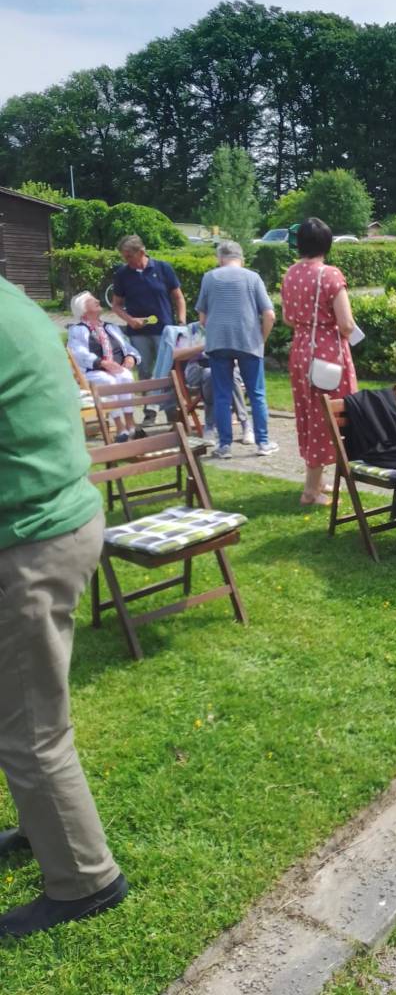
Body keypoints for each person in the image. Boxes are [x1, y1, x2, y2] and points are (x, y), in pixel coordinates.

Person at [0, 274, 128, 937]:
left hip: (29, 541)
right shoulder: (11, 299)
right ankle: (41, 821)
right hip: (57, 524)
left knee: (30, 728)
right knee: (28, 708)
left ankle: (83, 880)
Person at [281, 217, 358, 505]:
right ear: (327, 244)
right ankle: (310, 491)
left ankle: (317, 480)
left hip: (301, 351)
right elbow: (347, 324)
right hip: (328, 355)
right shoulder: (330, 276)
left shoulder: (290, 274)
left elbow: (289, 318)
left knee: (309, 413)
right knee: (329, 417)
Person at [195, 240, 277, 458]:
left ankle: (225, 446)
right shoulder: (253, 278)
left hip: (218, 343)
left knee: (222, 395)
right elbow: (269, 315)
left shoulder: (209, 278)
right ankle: (263, 443)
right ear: (241, 258)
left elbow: (202, 318)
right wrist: (262, 339)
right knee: (257, 394)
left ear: (220, 258)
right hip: (249, 342)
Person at [112, 234, 186, 424]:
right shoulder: (122, 274)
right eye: (124, 257)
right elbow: (116, 305)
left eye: (129, 256)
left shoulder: (163, 268)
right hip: (139, 333)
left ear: (141, 252)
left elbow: (178, 297)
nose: (126, 261)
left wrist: (182, 322)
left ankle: (171, 412)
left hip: (165, 330)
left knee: (168, 370)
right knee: (145, 371)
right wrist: (130, 320)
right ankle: (149, 412)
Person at [67, 291, 145, 442]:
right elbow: (78, 352)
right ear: (82, 308)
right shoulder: (77, 330)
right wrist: (102, 363)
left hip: (115, 370)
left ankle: (130, 423)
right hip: (92, 372)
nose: (97, 300)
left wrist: (130, 357)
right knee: (109, 380)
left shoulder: (110, 327)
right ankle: (120, 427)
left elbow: (127, 347)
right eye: (92, 300)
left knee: (126, 376)